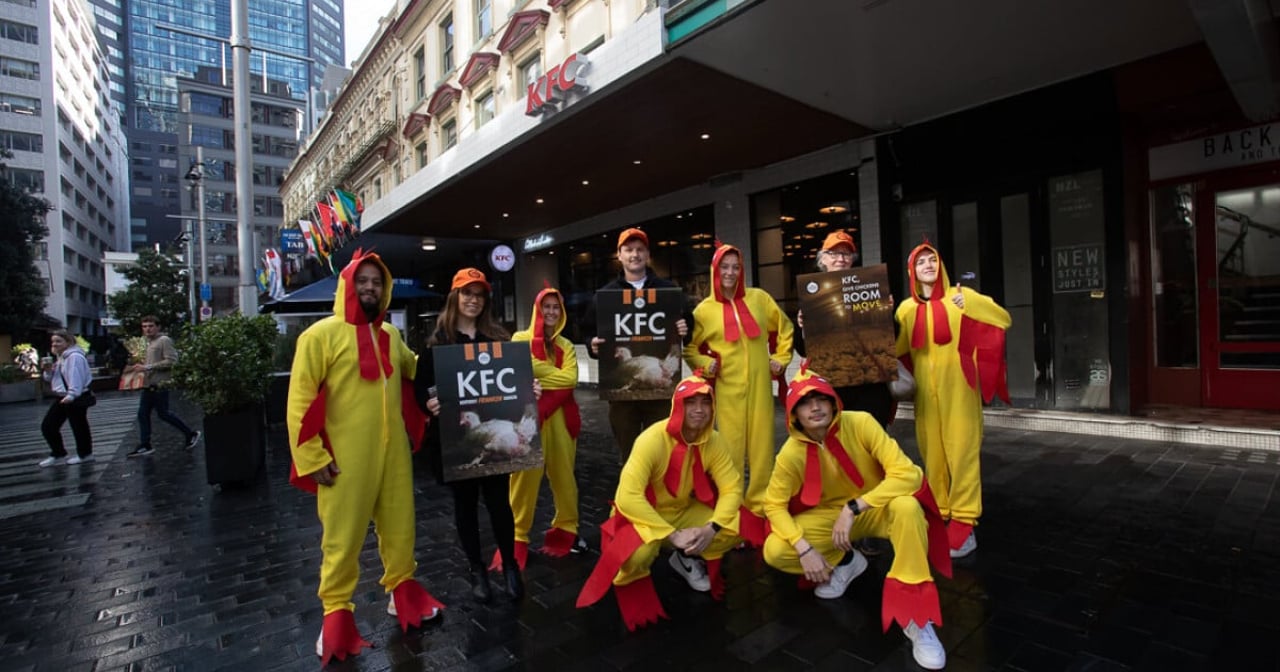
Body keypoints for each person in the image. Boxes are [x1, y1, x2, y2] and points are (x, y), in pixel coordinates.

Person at [287, 251, 443, 664]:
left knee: (400, 527)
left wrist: (461, 349)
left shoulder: (391, 336)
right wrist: (312, 456)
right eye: (364, 281)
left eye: (377, 281)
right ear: (348, 285)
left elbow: (416, 370)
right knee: (341, 539)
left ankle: (403, 591)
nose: (371, 288)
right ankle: (336, 614)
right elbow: (299, 401)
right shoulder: (318, 337)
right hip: (343, 461)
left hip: (393, 459)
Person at [763, 367, 952, 670]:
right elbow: (773, 506)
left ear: (833, 401)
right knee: (775, 549)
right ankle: (847, 562)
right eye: (805, 402)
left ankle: (917, 617)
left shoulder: (861, 423)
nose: (815, 407)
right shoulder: (790, 453)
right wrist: (804, 548)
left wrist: (855, 507)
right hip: (830, 518)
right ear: (793, 413)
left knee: (907, 508)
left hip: (875, 508)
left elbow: (910, 474)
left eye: (821, 399)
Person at [576, 372, 742, 631]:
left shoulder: (714, 441)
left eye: (705, 403)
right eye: (691, 402)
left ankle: (684, 559)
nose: (699, 410)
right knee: (634, 558)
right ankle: (667, 552)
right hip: (643, 515)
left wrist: (712, 528)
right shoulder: (651, 439)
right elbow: (627, 497)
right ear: (677, 404)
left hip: (681, 510)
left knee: (735, 527)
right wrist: (672, 535)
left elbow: (732, 488)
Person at [416, 268, 526, 603]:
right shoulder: (437, 344)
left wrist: (528, 388)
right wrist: (429, 401)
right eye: (466, 293)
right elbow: (421, 387)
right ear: (455, 297)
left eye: (478, 295)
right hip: (455, 442)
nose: (473, 300)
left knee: (499, 505)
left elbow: (516, 384)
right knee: (464, 507)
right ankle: (476, 568)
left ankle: (509, 565)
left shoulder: (498, 341)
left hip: (494, 439)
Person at [895, 242, 1011, 558]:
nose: (929, 265)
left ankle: (964, 519)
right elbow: (896, 350)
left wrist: (971, 307)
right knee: (932, 454)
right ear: (913, 273)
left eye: (933, 259)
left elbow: (1003, 318)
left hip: (961, 390)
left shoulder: (963, 296)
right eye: (921, 263)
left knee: (962, 454)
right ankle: (941, 510)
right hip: (925, 398)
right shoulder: (905, 310)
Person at [683, 243, 793, 544]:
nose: (730, 272)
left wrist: (781, 360)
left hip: (760, 393)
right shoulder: (704, 310)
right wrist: (707, 365)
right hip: (727, 393)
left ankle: (758, 512)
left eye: (735, 266)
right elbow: (689, 349)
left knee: (761, 453)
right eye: (724, 267)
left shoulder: (759, 299)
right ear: (715, 271)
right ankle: (730, 517)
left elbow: (785, 328)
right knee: (729, 456)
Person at [498, 284, 586, 567]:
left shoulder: (567, 345)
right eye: (546, 306)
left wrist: (535, 370)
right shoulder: (519, 338)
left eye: (555, 307)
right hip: (527, 421)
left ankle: (567, 528)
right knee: (523, 479)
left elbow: (570, 380)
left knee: (564, 477)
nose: (551, 312)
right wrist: (551, 374)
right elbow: (519, 374)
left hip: (562, 419)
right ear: (537, 309)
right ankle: (517, 537)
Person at [587, 228, 689, 464]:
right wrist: (591, 344)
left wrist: (685, 328)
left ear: (647, 254)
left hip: (660, 398)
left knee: (662, 453)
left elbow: (686, 322)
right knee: (630, 457)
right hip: (623, 404)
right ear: (619, 255)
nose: (635, 254)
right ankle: (630, 500)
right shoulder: (606, 295)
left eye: (640, 249)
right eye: (629, 250)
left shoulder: (667, 290)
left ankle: (661, 500)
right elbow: (589, 331)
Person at [795, 231, 895, 428]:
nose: (840, 259)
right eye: (833, 254)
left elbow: (893, 339)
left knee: (871, 448)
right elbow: (802, 349)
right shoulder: (812, 295)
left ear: (852, 260)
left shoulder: (869, 287)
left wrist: (887, 315)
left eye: (846, 254)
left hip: (871, 386)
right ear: (822, 258)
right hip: (832, 387)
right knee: (837, 448)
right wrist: (803, 328)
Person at [126, 316, 200, 457]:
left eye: (150, 326)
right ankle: (145, 444)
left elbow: (172, 361)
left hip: (160, 384)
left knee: (163, 413)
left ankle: (190, 433)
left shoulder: (164, 340)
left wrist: (148, 367)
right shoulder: (146, 343)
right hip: (148, 384)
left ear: (158, 327)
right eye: (145, 326)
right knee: (143, 414)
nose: (147, 329)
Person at [38, 330, 94, 467]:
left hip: (73, 396)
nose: (55, 344)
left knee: (78, 426)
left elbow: (76, 377)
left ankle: (85, 454)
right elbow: (52, 379)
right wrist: (47, 370)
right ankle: (59, 453)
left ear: (68, 342)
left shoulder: (74, 357)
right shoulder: (61, 357)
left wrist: (72, 394)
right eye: (53, 341)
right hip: (63, 396)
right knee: (49, 426)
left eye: (58, 341)